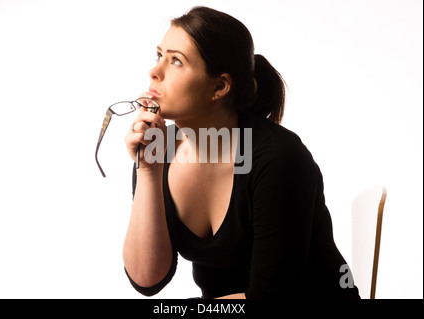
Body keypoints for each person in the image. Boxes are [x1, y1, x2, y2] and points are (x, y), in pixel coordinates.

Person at [122, 6, 360, 299]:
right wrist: (148, 170)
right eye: (159, 56)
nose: (154, 72)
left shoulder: (277, 158)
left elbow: (270, 297)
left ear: (219, 86)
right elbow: (147, 280)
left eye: (176, 61)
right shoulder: (160, 150)